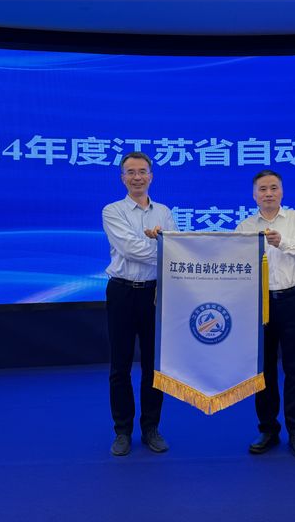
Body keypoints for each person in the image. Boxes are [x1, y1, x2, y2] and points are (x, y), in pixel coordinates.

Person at [235, 169, 295, 458]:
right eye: (263, 189)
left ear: (282, 192)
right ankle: (268, 430)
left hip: (292, 301)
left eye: (273, 188)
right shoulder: (246, 226)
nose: (268, 193)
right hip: (258, 304)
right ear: (254, 195)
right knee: (263, 371)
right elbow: (231, 261)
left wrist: (282, 242)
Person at [102, 151, 176, 456]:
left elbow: (177, 251)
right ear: (122, 178)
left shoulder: (164, 212)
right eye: (130, 172)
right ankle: (122, 431)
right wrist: (160, 244)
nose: (137, 177)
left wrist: (165, 244)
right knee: (120, 365)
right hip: (122, 292)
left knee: (154, 366)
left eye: (142, 171)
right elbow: (130, 249)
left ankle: (150, 428)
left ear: (151, 176)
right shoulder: (112, 210)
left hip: (155, 293)